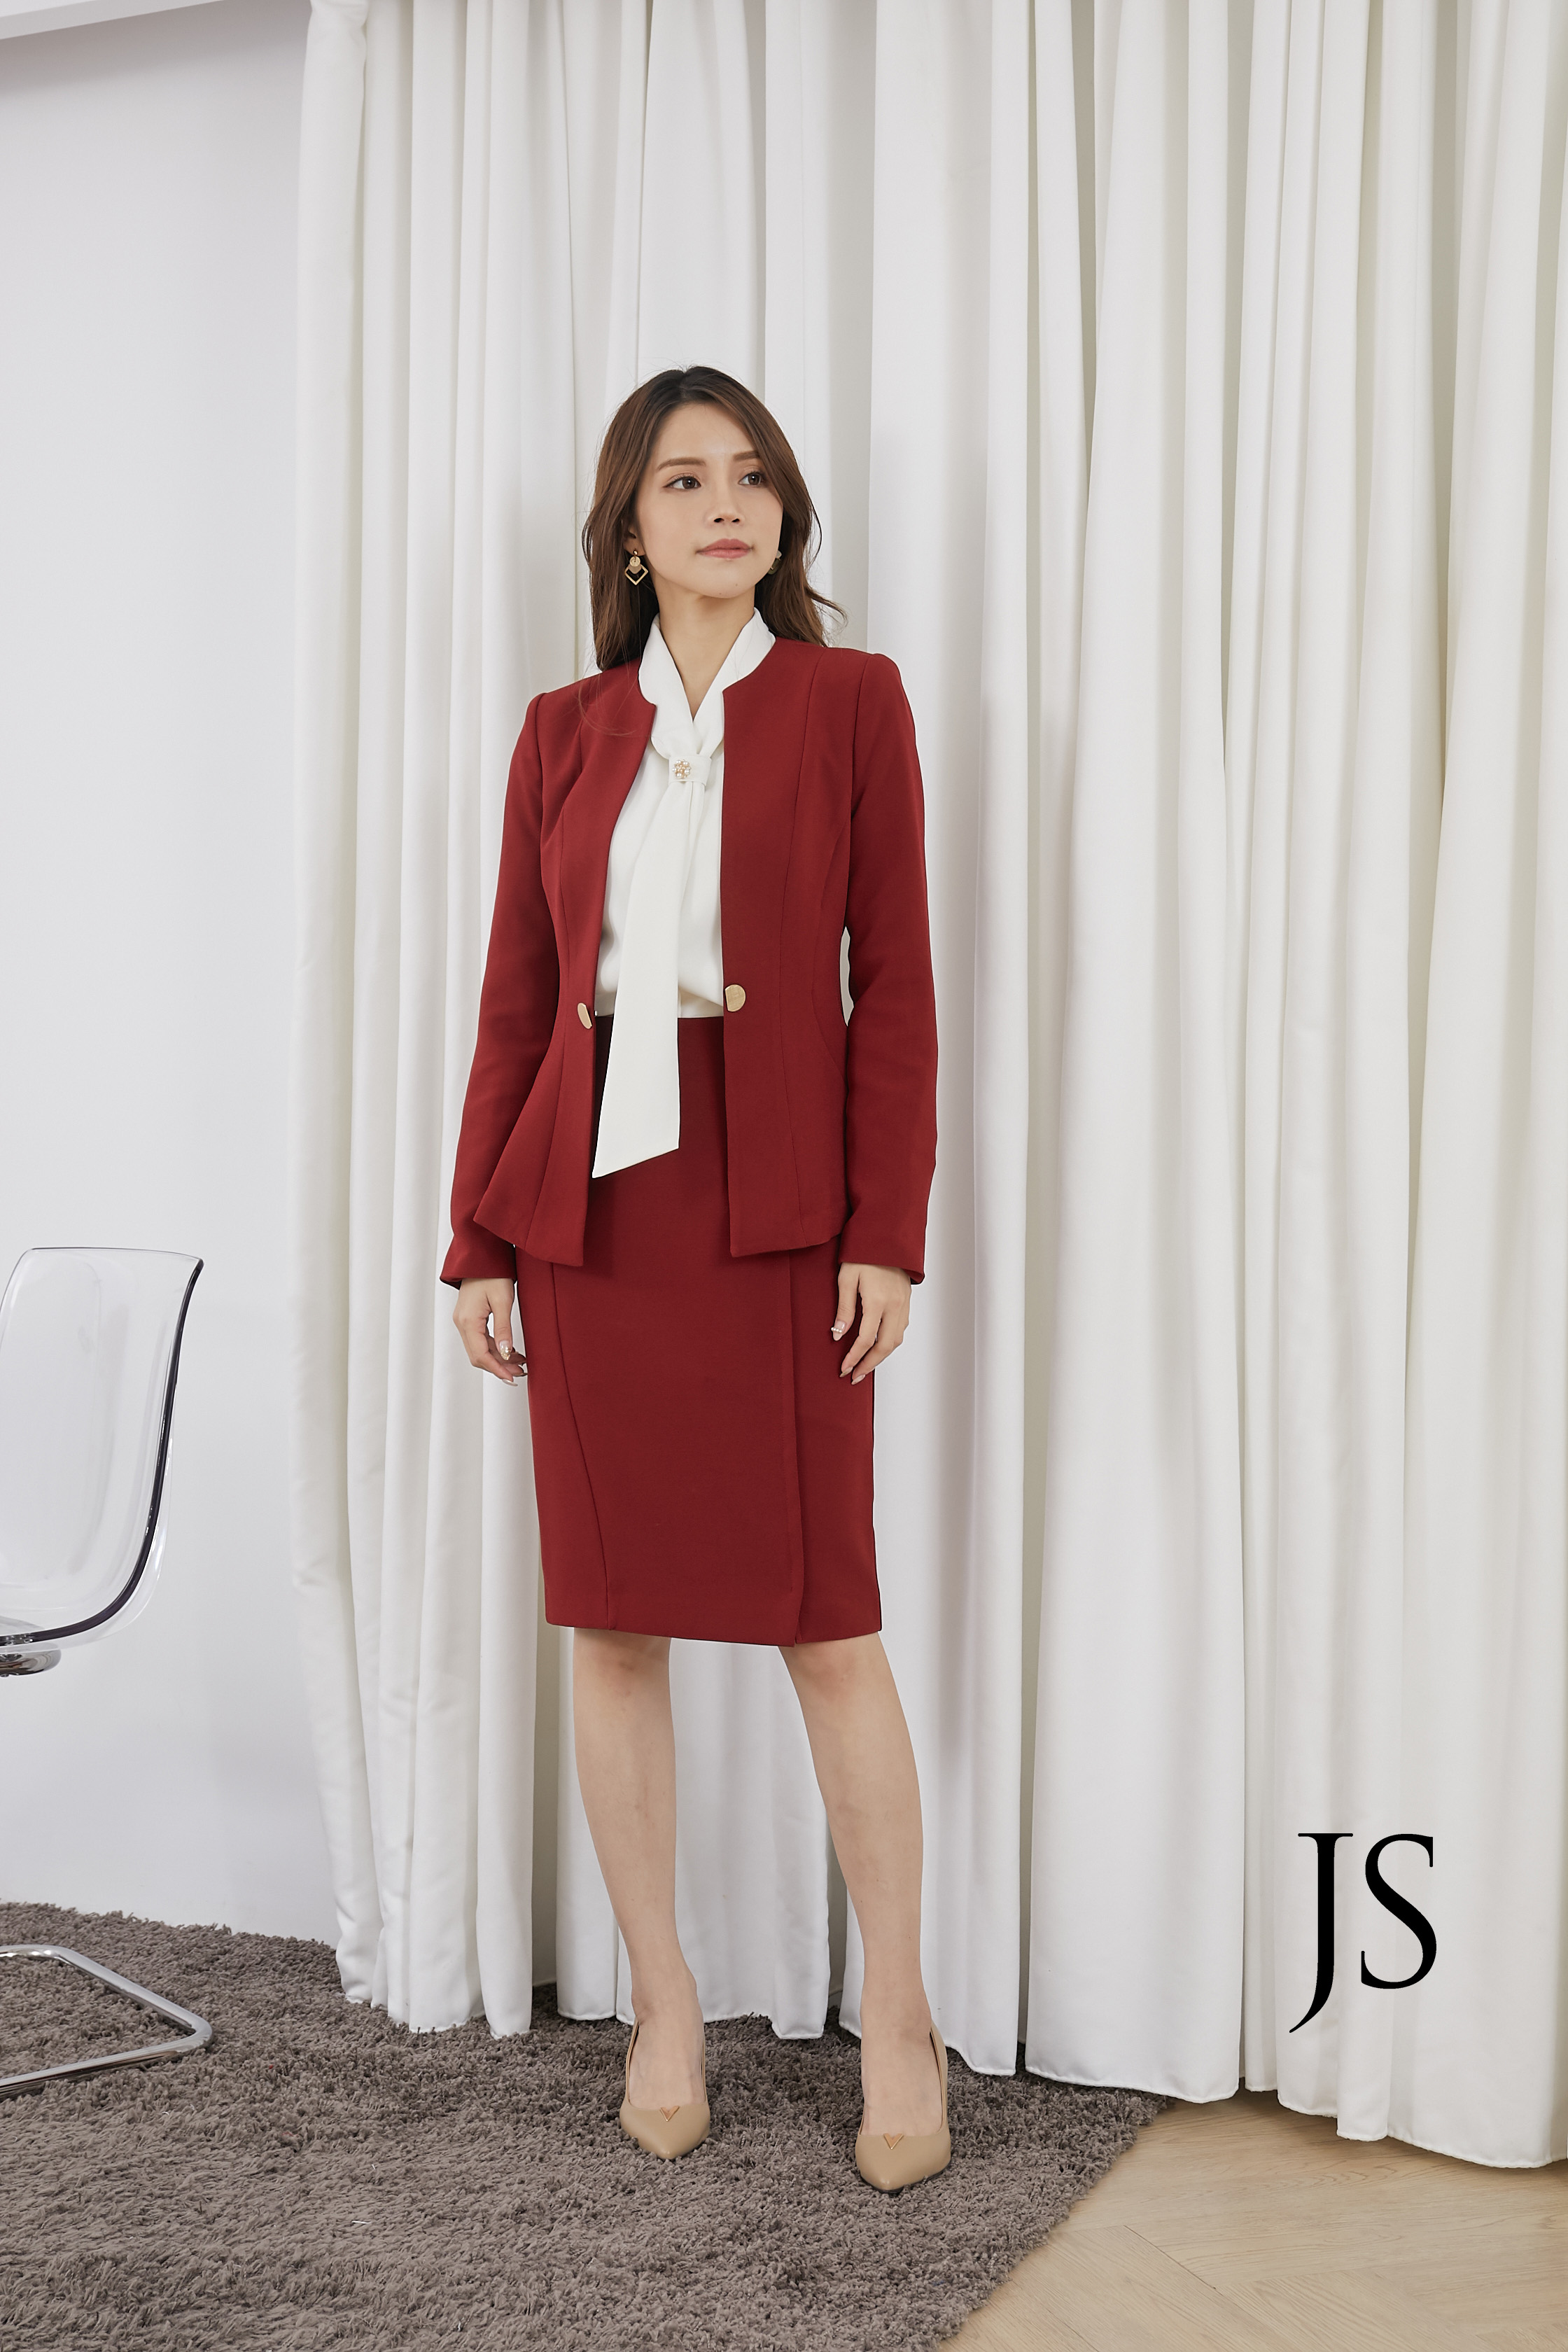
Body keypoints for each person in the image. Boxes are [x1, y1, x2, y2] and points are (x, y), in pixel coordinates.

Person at [442, 365, 942, 2191]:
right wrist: (479, 1238)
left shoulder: (852, 703)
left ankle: (902, 2015)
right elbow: (517, 997)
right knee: (615, 1623)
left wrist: (886, 1226)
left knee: (827, 1625)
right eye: (682, 481)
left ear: (782, 514)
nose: (725, 505)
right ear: (631, 533)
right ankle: (664, 2002)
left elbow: (898, 981)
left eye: (750, 477)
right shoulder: (562, 732)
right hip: (592, 1217)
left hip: (781, 1208)